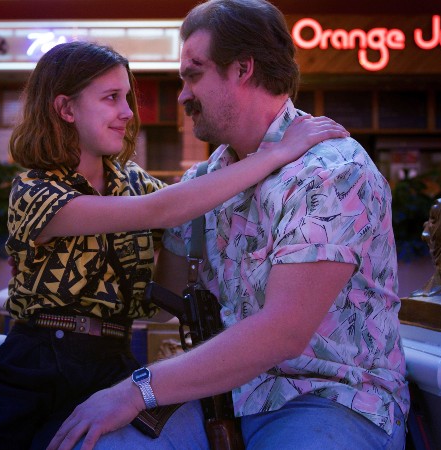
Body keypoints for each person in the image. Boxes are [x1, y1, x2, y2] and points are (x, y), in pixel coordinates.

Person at [0, 40, 348, 450]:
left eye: (127, 98)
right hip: (35, 358)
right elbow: (164, 209)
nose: (127, 112)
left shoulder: (134, 182)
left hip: (112, 361)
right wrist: (276, 153)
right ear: (66, 109)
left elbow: (189, 213)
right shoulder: (35, 190)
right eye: (111, 98)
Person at [47, 1, 411, 449]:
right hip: (225, 395)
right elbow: (157, 300)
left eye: (193, 74)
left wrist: (134, 390)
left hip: (330, 397)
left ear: (242, 68)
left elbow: (283, 332)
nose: (182, 95)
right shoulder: (203, 184)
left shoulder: (330, 173)